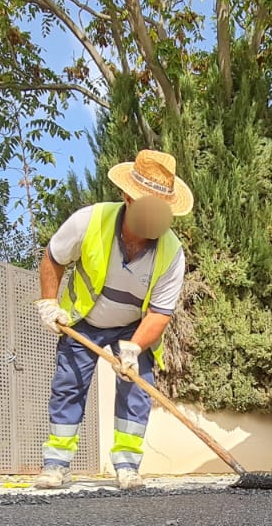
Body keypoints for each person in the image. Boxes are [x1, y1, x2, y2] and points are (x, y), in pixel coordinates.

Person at [33, 149, 193, 491]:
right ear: (127, 197)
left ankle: (127, 466)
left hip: (134, 326)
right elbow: (53, 257)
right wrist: (49, 302)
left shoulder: (172, 253)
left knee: (136, 388)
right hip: (84, 319)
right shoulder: (89, 221)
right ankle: (56, 464)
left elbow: (160, 313)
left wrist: (134, 349)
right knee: (69, 384)